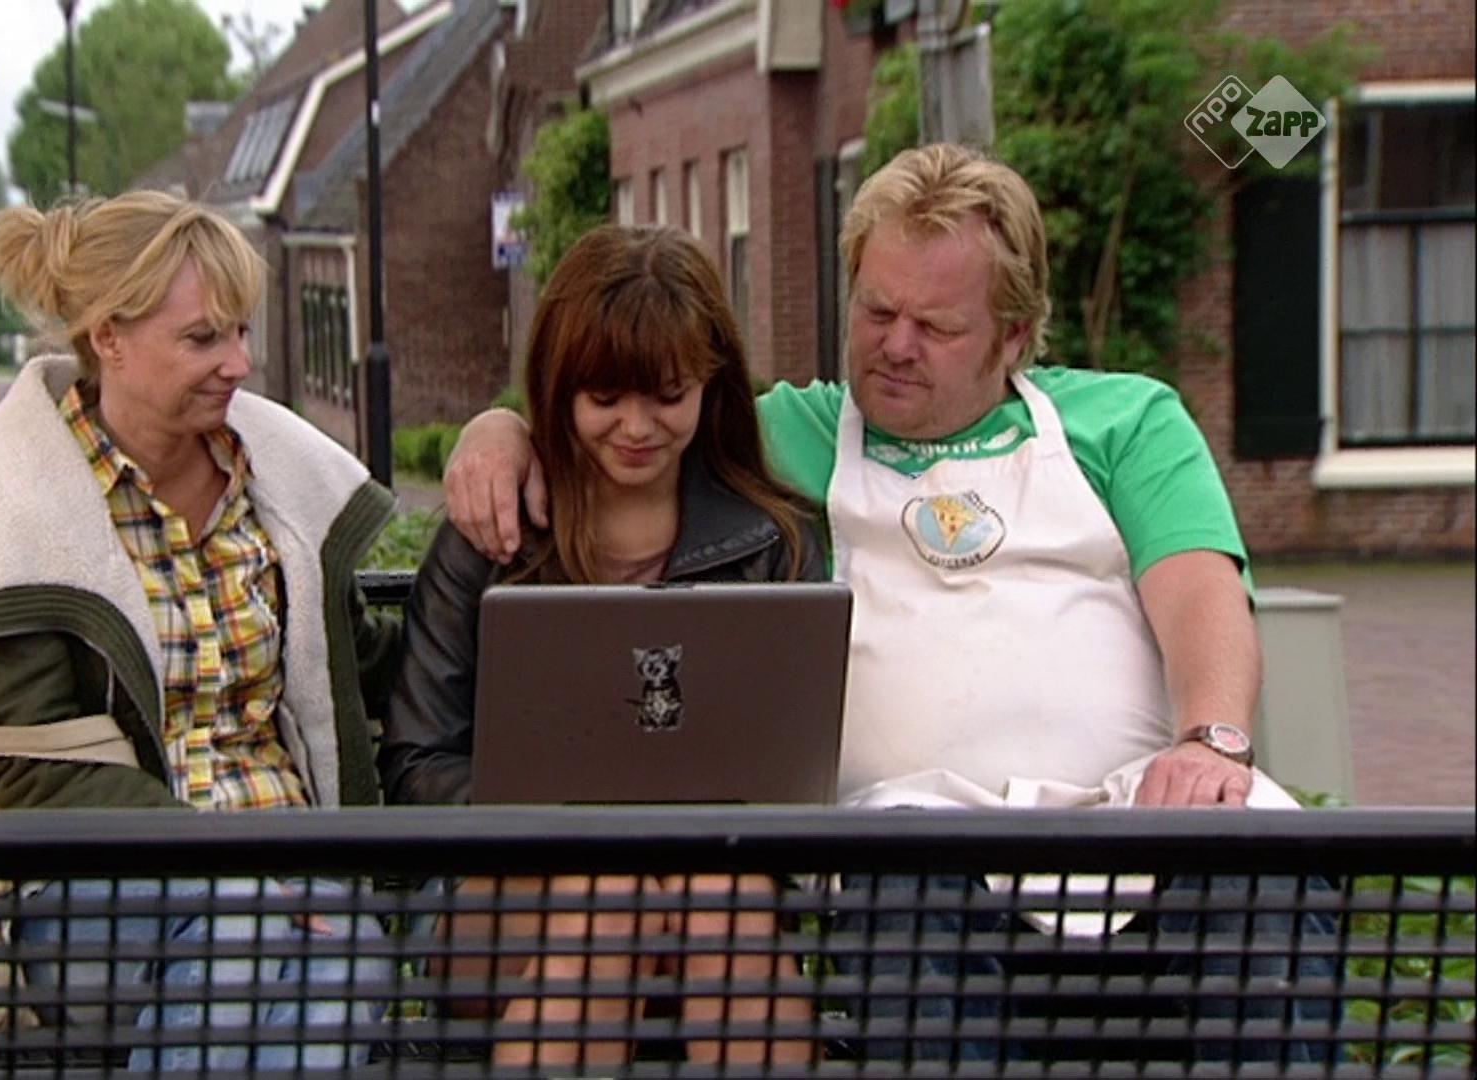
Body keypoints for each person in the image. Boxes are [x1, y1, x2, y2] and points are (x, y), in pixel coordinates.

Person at [440, 146, 1334, 1062]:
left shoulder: (1128, 421)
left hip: (1141, 810)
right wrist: (499, 432)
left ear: (1016, 335)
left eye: (936, 327)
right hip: (916, 838)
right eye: (876, 312)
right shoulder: (783, 434)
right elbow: (626, 410)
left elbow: (1201, 591)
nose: (895, 346)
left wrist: (1209, 740)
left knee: (1263, 880)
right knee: (903, 895)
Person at [0, 191, 401, 1071]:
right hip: (100, 883)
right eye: (204, 338)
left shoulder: (275, 485)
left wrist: (500, 461)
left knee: (348, 954)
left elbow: (356, 663)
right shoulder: (10, 508)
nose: (240, 363)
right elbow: (30, 768)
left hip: (298, 864)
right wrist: (232, 864)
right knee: (262, 934)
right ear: (109, 339)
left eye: (241, 332)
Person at [382, 225, 824, 1069]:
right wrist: (578, 828)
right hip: (503, 889)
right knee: (606, 885)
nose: (637, 426)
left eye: (667, 395)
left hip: (712, 885)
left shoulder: (775, 543)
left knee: (714, 888)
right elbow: (418, 762)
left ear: (710, 383)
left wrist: (678, 838)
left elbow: (794, 769)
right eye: (605, 398)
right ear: (561, 388)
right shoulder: (492, 537)